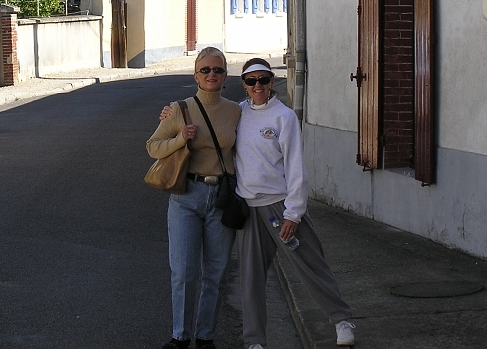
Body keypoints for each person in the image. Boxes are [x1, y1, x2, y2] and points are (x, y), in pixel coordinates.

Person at [235, 58, 355, 348]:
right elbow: (208, 120)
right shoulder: (238, 113)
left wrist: (294, 213)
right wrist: (173, 114)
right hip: (248, 209)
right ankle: (254, 341)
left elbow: (295, 167)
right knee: (251, 279)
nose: (258, 86)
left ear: (272, 82)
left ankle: (341, 320)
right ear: (244, 85)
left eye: (263, 79)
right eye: (251, 81)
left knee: (311, 265)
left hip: (280, 207)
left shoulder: (284, 117)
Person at [147, 47, 241, 349]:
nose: (212, 74)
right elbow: (153, 146)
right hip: (186, 196)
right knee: (184, 272)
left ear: (225, 76)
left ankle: (205, 336)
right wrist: (180, 138)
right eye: (205, 70)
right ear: (196, 76)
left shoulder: (237, 111)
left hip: (222, 198)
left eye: (218, 70)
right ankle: (180, 336)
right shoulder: (180, 109)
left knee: (217, 272)